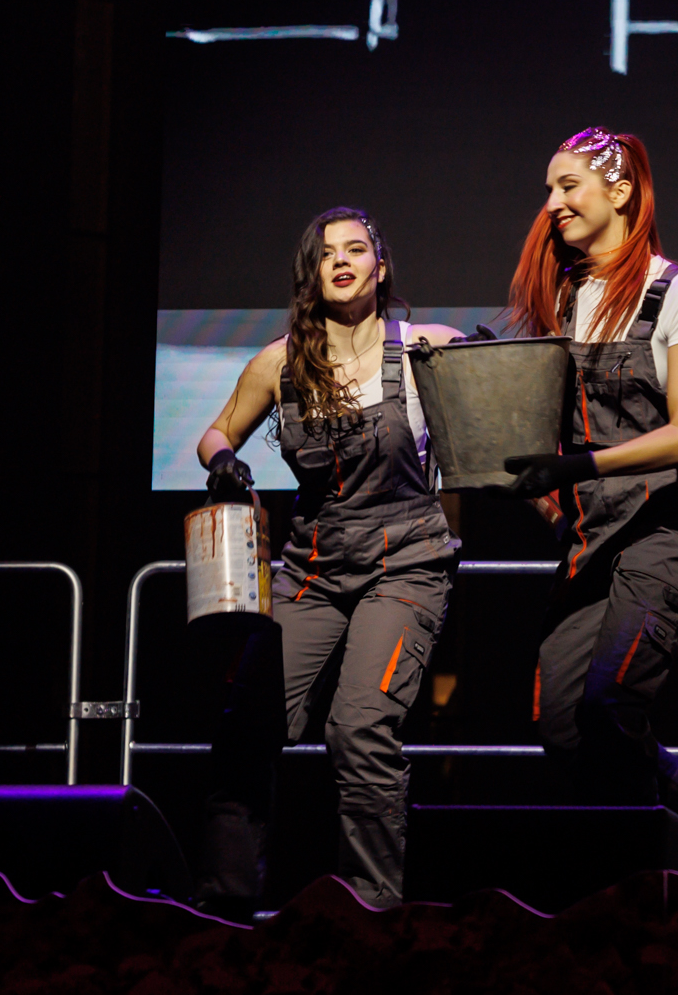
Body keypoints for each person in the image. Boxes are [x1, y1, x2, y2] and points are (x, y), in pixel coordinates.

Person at [501, 127, 678, 885]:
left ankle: (671, 876)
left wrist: (579, 466)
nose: (552, 202)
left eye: (568, 186)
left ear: (621, 191)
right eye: (549, 188)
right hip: (590, 536)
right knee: (562, 726)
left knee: (609, 706)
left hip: (665, 529)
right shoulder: (560, 296)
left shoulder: (675, 292)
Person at [193, 206, 464, 914]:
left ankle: (371, 911)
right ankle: (224, 906)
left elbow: (501, 413)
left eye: (355, 249)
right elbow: (215, 433)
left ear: (381, 266)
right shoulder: (279, 362)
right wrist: (222, 463)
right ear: (310, 274)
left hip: (405, 564)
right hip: (312, 568)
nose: (340, 260)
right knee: (247, 726)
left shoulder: (429, 348)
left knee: (360, 727)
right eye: (325, 253)